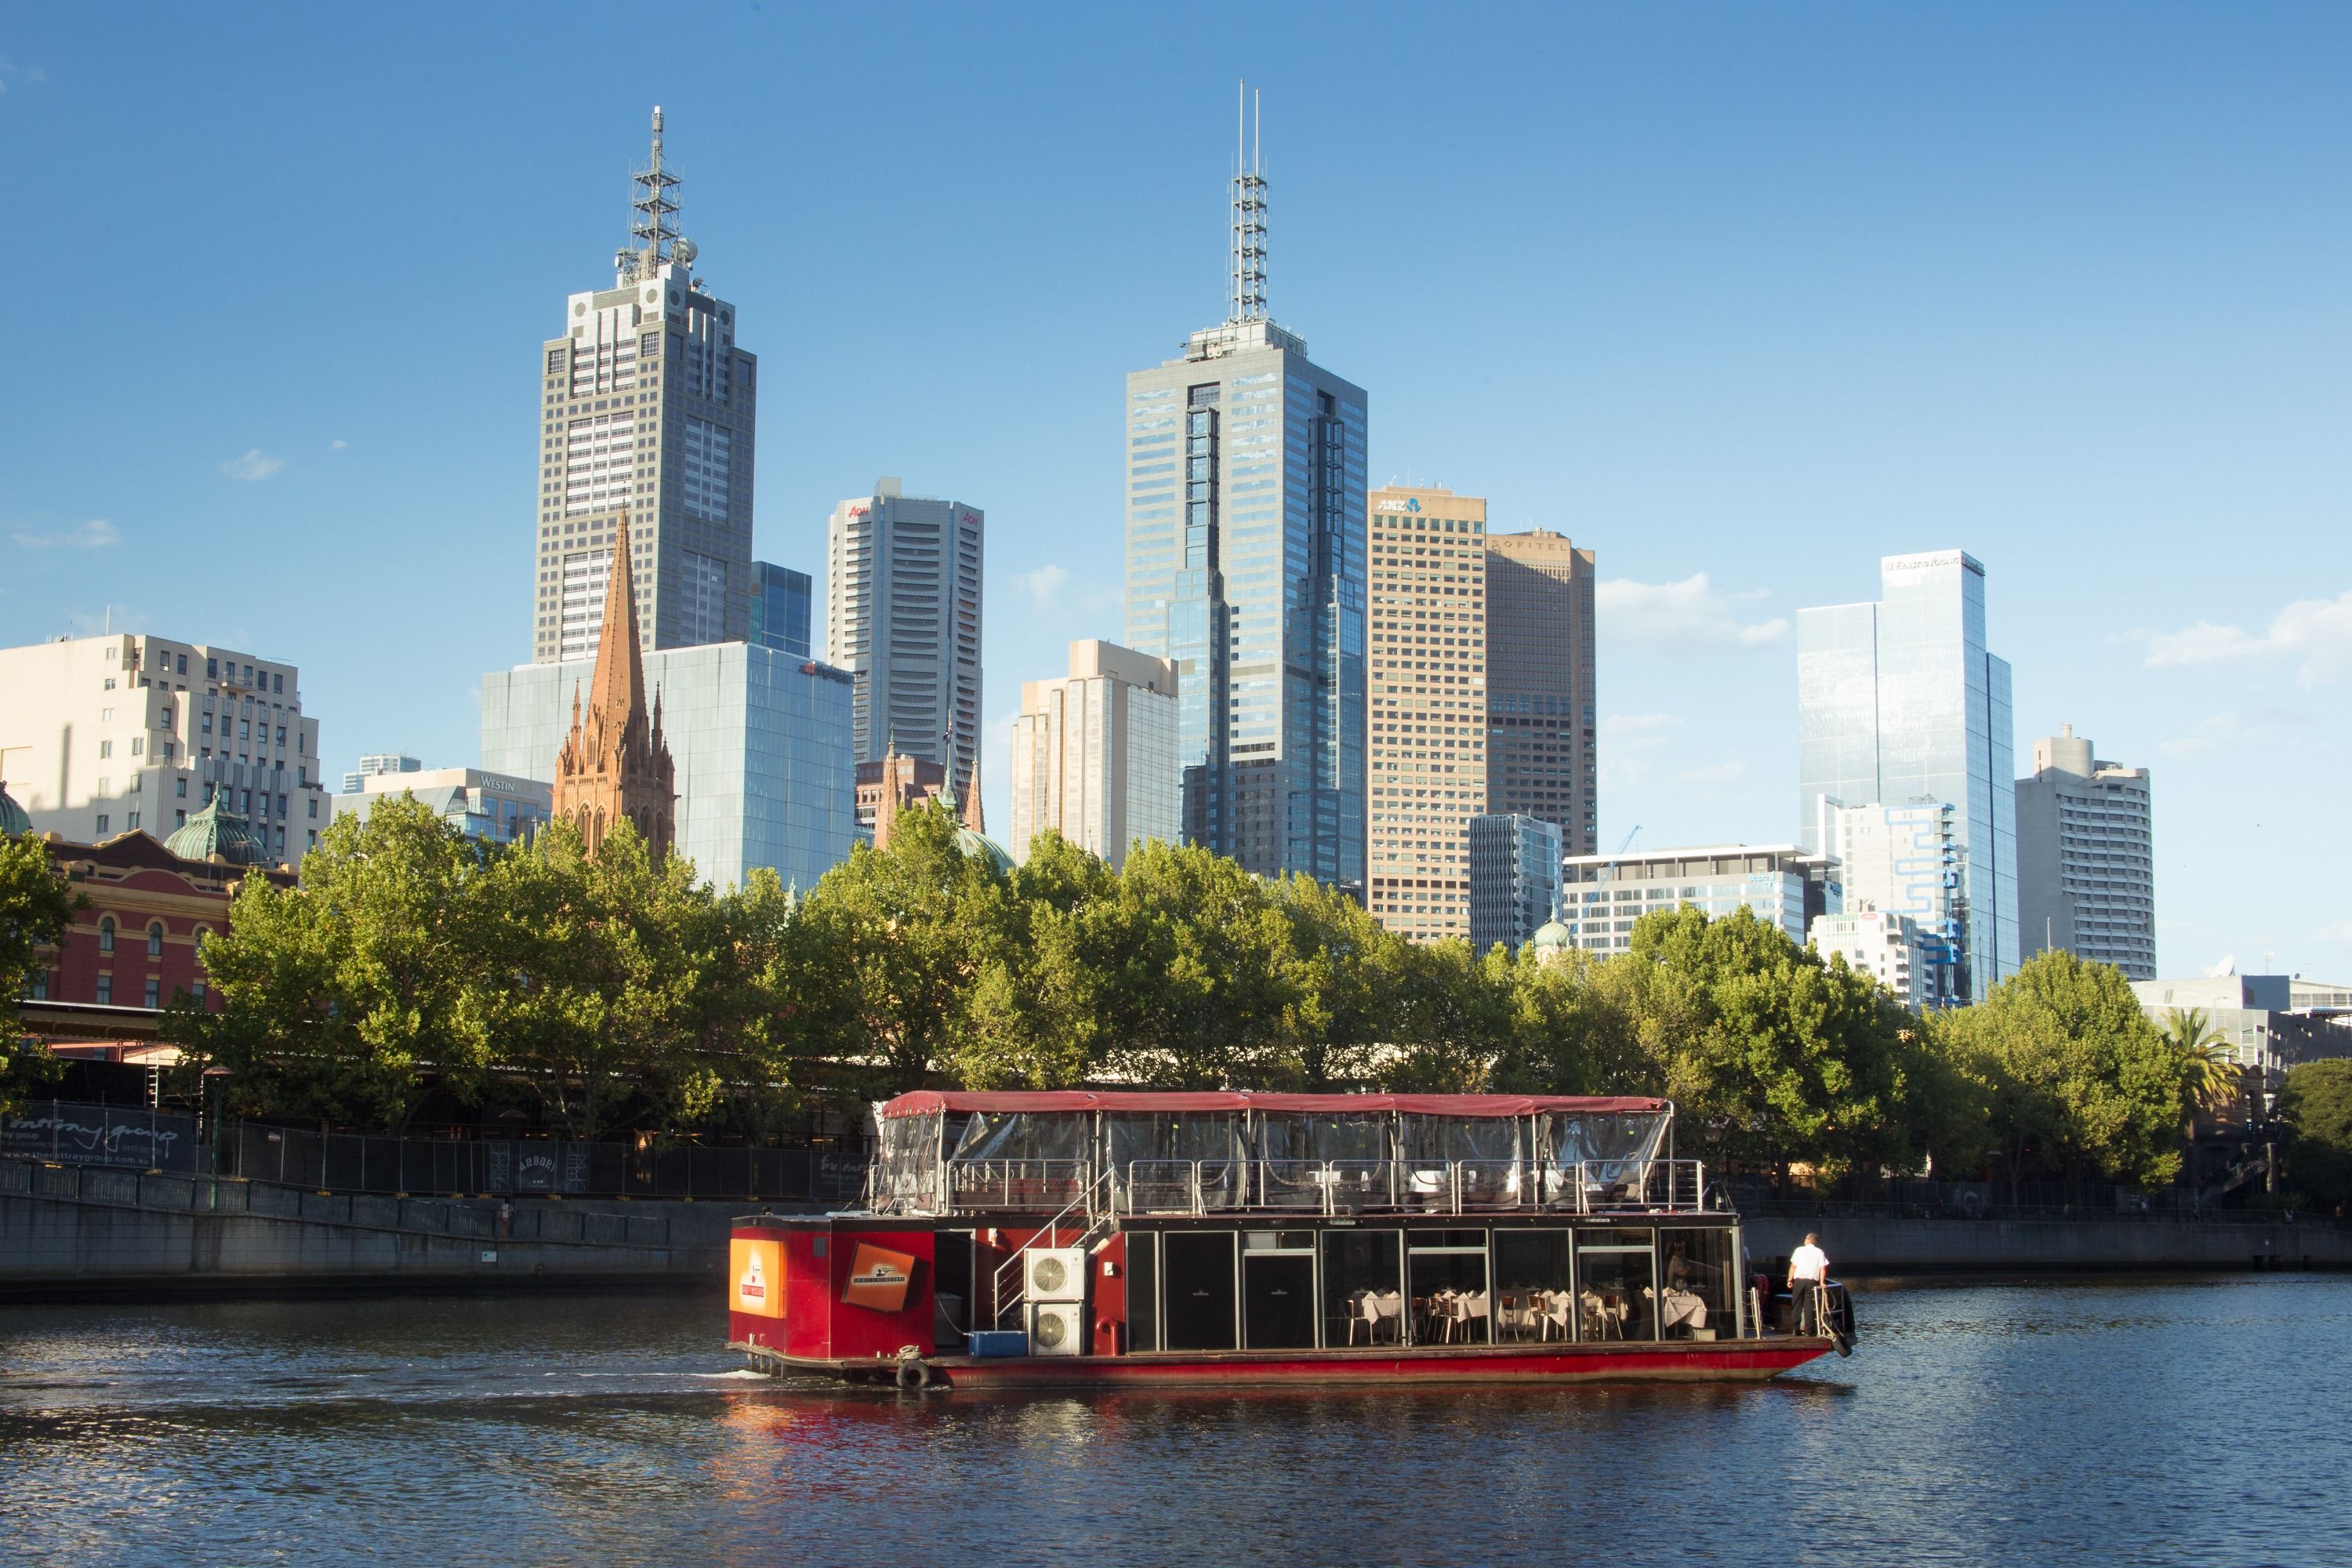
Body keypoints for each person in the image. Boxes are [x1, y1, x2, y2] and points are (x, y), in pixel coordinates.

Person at [1787, 1232, 1829, 1335]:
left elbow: (1793, 1266)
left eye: (1806, 1238)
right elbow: (1822, 1268)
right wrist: (1822, 1282)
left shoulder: (1799, 1250)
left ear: (1809, 1240)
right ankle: (1808, 1331)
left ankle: (1795, 1329)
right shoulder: (1819, 1252)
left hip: (1799, 1280)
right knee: (1809, 1306)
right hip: (1811, 1281)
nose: (1804, 1240)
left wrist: (1789, 1279)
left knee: (1796, 1304)